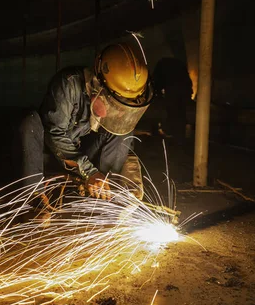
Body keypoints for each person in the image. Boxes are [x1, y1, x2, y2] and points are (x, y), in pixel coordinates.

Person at [16, 42, 153, 201]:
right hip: (49, 156)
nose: (119, 111)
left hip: (82, 157)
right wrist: (89, 171)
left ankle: (104, 193)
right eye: (115, 103)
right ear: (98, 85)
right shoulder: (68, 84)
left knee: (123, 131)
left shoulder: (118, 98)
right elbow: (54, 134)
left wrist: (130, 176)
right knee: (29, 122)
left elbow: (123, 141)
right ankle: (35, 199)